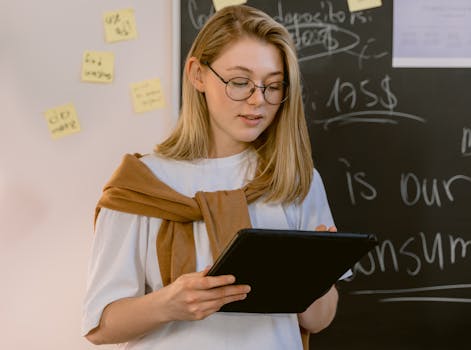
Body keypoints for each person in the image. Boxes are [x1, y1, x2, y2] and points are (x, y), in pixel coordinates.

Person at [82, 5, 340, 350]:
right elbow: (100, 326)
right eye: (239, 82)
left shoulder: (296, 180)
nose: (257, 101)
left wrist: (314, 275)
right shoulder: (141, 184)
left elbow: (319, 320)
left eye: (273, 86)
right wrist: (167, 304)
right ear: (197, 75)